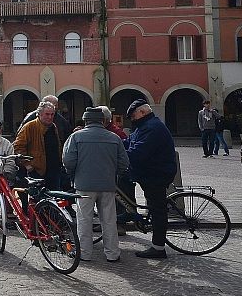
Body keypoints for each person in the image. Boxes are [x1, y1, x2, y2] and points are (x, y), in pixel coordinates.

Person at [64, 107, 129, 263]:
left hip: (84, 185)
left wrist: (73, 174)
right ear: (103, 121)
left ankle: (84, 253)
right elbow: (124, 163)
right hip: (107, 184)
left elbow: (68, 161)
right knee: (109, 220)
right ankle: (112, 253)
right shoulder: (114, 138)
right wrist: (114, 174)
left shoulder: (76, 137)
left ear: (85, 121)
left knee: (84, 220)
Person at [126, 100, 179, 258]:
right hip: (150, 173)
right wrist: (114, 143)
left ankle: (158, 248)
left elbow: (138, 153)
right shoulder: (145, 126)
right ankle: (128, 214)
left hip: (156, 175)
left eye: (133, 116)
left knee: (158, 211)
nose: (132, 119)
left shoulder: (152, 128)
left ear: (142, 113)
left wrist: (118, 152)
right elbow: (130, 142)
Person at [12, 103, 67, 192]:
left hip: (54, 169)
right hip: (37, 170)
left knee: (54, 198)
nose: (50, 117)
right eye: (47, 114)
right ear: (40, 114)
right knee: (37, 199)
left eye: (52, 114)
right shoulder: (29, 126)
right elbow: (18, 146)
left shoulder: (53, 126)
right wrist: (27, 164)